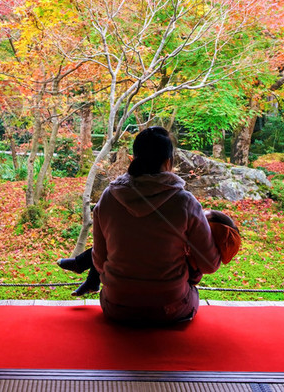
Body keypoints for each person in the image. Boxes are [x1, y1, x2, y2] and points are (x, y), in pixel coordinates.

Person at [60, 126, 227, 325]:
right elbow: (209, 265)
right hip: (170, 309)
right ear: (168, 162)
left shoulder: (109, 197)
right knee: (190, 286)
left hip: (116, 307)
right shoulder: (185, 202)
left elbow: (98, 261)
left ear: (134, 158)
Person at [58, 209, 241, 297]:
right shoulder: (193, 246)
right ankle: (88, 277)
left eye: (203, 219)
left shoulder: (194, 254)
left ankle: (83, 268)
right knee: (120, 244)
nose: (197, 219)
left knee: (121, 245)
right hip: (160, 284)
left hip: (171, 292)